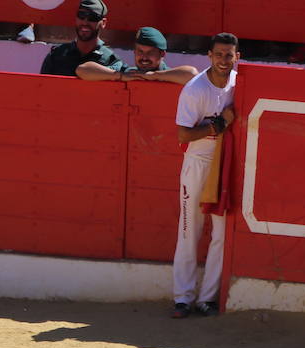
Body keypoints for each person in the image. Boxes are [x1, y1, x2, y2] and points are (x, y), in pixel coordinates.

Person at [171, 33, 239, 319]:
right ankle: (183, 298)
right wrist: (220, 124)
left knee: (221, 234)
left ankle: (207, 299)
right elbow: (183, 134)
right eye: (219, 55)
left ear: (237, 56)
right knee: (190, 230)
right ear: (209, 56)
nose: (224, 60)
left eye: (229, 55)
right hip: (198, 161)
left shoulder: (240, 83)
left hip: (225, 163)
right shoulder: (194, 89)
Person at [76, 26, 199, 85]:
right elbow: (82, 70)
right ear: (134, 52)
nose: (144, 57)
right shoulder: (126, 71)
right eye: (140, 51)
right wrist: (119, 76)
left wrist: (155, 76)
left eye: (150, 52)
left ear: (162, 54)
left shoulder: (170, 75)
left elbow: (192, 75)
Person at [40, 0, 125, 77]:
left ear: (103, 23)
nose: (85, 22)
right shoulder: (55, 56)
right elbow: (41, 88)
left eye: (93, 17)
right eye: (81, 15)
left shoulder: (111, 60)